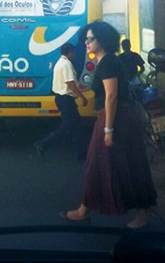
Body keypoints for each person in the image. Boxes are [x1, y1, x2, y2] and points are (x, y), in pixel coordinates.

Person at [61, 21, 157, 229]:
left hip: (114, 118)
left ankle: (85, 210)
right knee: (129, 165)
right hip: (118, 117)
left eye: (90, 39)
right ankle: (140, 215)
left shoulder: (108, 62)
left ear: (102, 39)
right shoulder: (106, 61)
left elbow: (111, 96)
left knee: (98, 163)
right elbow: (105, 91)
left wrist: (108, 129)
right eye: (85, 39)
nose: (86, 43)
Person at [34, 43, 88, 160]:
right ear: (70, 52)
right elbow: (70, 83)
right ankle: (43, 143)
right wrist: (82, 97)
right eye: (73, 52)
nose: (74, 55)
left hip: (62, 98)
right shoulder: (66, 64)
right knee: (68, 126)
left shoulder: (60, 63)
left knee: (77, 126)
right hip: (66, 99)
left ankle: (81, 153)